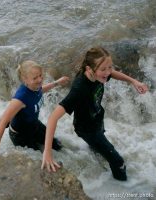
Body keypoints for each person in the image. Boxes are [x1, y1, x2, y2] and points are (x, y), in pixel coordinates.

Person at [41, 47, 149, 181]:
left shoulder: (99, 73)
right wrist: (47, 152)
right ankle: (123, 187)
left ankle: (96, 152)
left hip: (96, 118)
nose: (108, 72)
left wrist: (134, 81)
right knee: (118, 162)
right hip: (87, 129)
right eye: (103, 69)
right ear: (89, 69)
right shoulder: (79, 89)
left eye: (109, 67)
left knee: (99, 147)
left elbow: (112, 73)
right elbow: (52, 118)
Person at [0, 60, 69, 155]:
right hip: (20, 135)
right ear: (25, 79)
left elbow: (41, 90)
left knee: (58, 146)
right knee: (38, 157)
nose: (40, 80)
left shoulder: (35, 86)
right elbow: (2, 121)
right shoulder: (21, 98)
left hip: (34, 125)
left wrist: (57, 82)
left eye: (40, 75)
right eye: (35, 78)